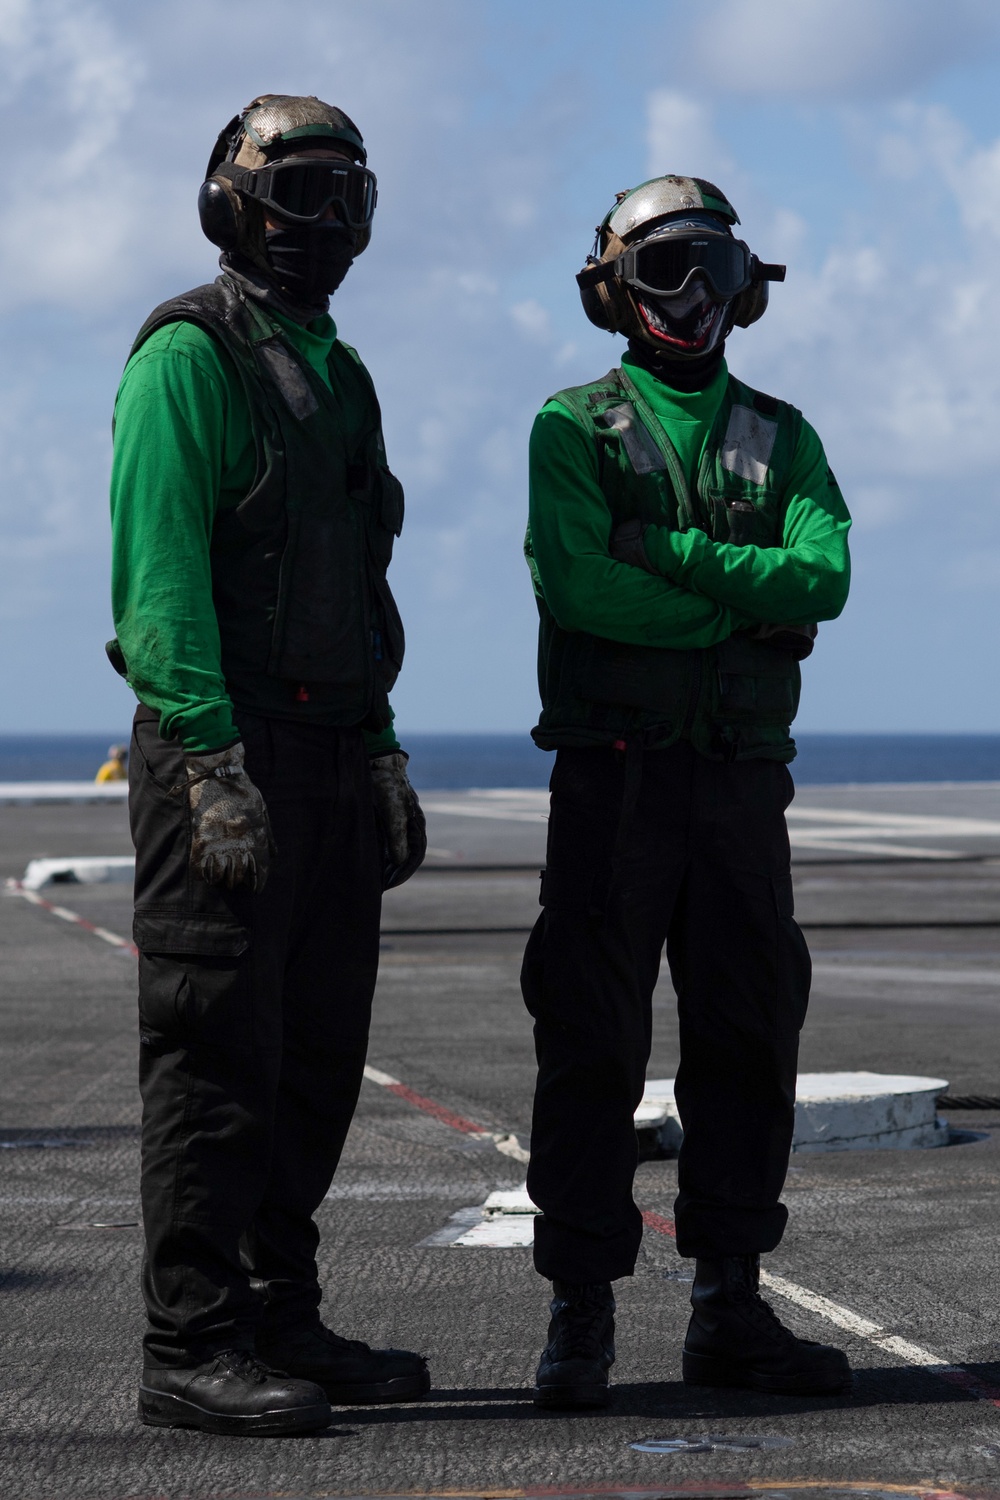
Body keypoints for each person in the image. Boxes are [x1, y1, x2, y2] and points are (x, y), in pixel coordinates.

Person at [108, 94, 429, 1436]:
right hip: (221, 759)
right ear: (233, 202)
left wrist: (382, 749)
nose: (323, 225)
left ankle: (276, 1311)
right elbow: (162, 574)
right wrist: (204, 759)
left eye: (345, 200)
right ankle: (191, 1345)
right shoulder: (191, 356)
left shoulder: (338, 377)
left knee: (313, 1055)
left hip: (328, 756)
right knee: (214, 1056)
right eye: (296, 194)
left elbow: (359, 586)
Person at [521, 175, 852, 1409]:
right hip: (612, 784)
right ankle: (581, 1314)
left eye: (712, 266)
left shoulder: (784, 432)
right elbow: (576, 588)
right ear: (615, 287)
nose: (692, 296)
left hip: (738, 792)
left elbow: (821, 578)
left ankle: (731, 1310)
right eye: (663, 269)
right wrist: (738, 608)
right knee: (590, 1044)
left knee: (749, 1039)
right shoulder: (574, 429)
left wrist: (660, 553)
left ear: (743, 283)